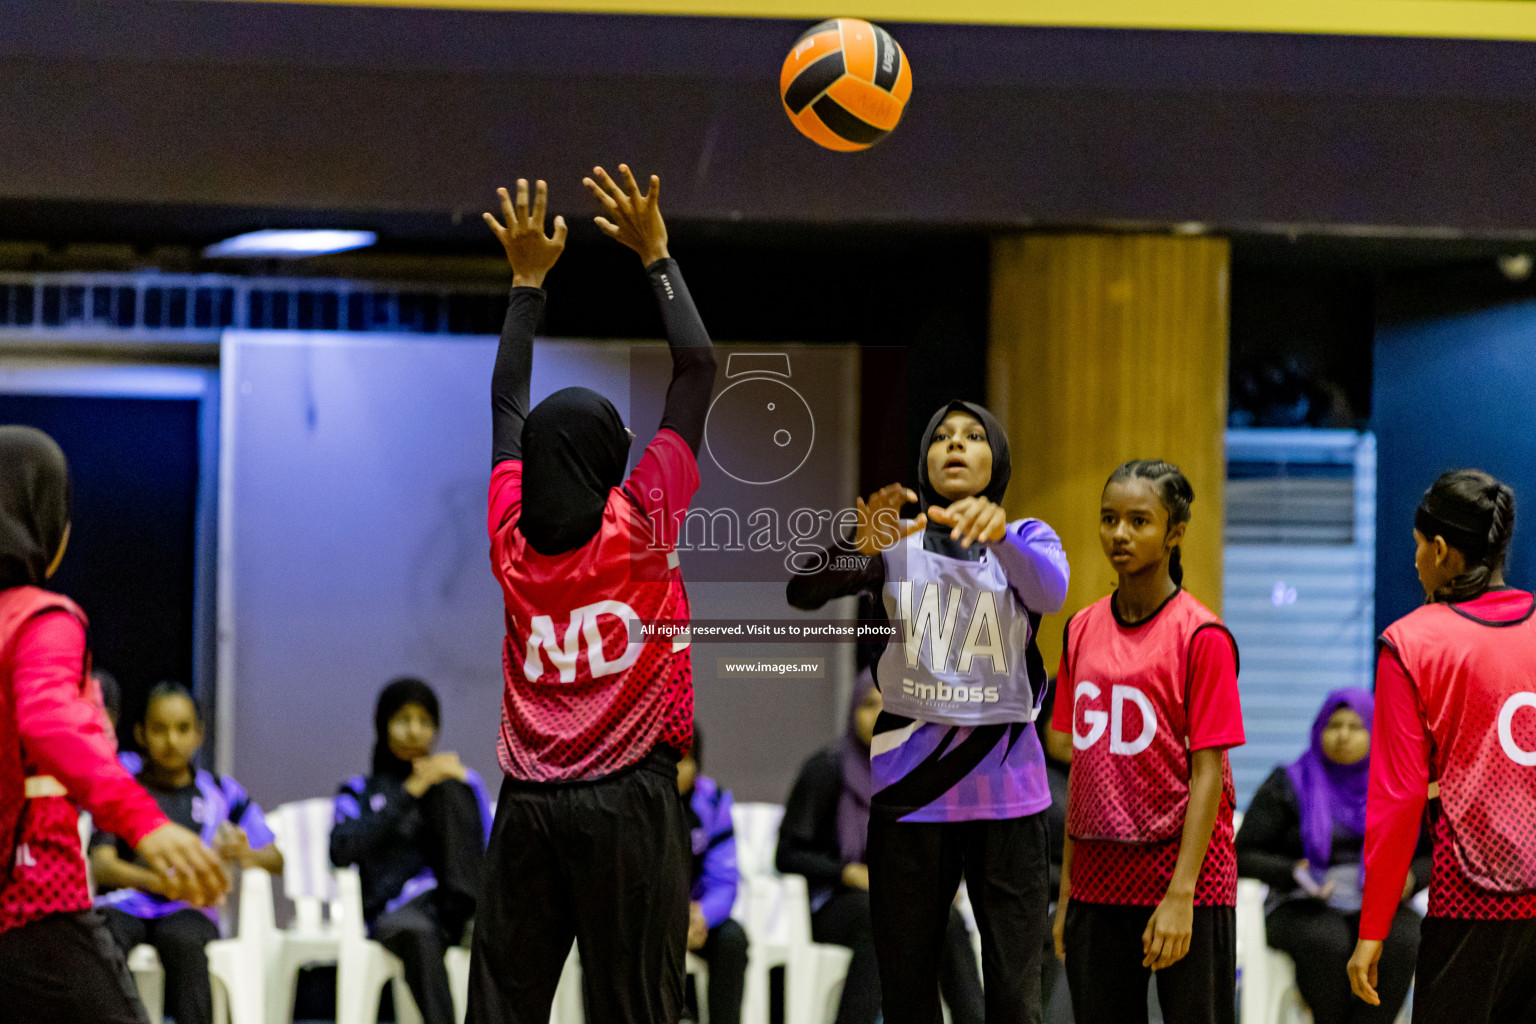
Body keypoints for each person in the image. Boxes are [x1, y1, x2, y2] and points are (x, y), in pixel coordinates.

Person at [467, 167, 716, 1024]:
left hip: (529, 803)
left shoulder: (511, 535)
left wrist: (526, 282)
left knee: (503, 1003)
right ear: (612, 456)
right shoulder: (644, 517)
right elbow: (696, 368)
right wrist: (656, 255)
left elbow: (507, 402)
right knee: (637, 1008)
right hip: (629, 804)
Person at [788, 402, 1068, 1024]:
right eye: (941, 437)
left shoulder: (1027, 539)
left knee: (1015, 996)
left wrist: (995, 534)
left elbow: (1050, 591)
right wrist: (850, 542)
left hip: (1009, 796)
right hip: (910, 793)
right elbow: (803, 591)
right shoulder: (898, 546)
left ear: (998, 459)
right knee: (908, 991)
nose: (955, 445)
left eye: (972, 436)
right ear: (925, 460)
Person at [0, 425, 226, 1023]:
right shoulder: (43, 618)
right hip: (29, 899)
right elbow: (49, 721)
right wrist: (143, 821)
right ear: (44, 522)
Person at [1051, 459, 1244, 1024]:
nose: (1120, 534)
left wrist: (1182, 895)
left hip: (1183, 880)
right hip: (1095, 879)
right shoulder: (1080, 628)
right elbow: (1081, 771)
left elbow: (1209, 771)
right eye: (1109, 519)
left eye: (1139, 521)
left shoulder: (1202, 636)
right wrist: (1067, 894)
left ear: (1175, 532)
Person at [1349, 470, 1536, 1023]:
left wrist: (1373, 929)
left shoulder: (1412, 643)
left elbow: (1397, 800)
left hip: (1469, 901)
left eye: (1415, 548)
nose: (1413, 562)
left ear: (1438, 549)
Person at [777, 671, 986, 1024]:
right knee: (884, 919)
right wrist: (850, 872)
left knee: (947, 919)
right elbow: (787, 854)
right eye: (869, 705)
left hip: (896, 896)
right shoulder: (828, 770)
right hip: (834, 902)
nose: (880, 715)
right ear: (852, 711)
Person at [91, 681, 284, 1024]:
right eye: (159, 729)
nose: (171, 740)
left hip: (190, 907)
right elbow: (101, 864)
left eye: (182, 729)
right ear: (141, 733)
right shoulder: (122, 785)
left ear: (199, 734)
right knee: (101, 939)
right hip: (128, 903)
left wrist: (245, 853)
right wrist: (156, 882)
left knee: (183, 941)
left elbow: (276, 859)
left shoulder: (223, 793)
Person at [1237, 689, 1425, 1024]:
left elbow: (1435, 854)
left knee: (1404, 937)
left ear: (1375, 732)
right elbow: (1242, 854)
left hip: (1378, 901)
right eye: (1334, 725)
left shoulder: (1398, 787)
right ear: (1318, 729)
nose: (1343, 735)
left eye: (1356, 726)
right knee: (1326, 940)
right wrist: (1292, 871)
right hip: (1301, 902)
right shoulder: (1289, 783)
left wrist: (1409, 878)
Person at [331, 678, 490, 1024]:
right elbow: (340, 850)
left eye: (425, 722)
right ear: (383, 723)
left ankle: (470, 911)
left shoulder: (455, 783)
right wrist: (408, 793)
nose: (414, 731)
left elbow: (492, 847)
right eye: (403, 720)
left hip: (453, 905)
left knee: (502, 935)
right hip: (395, 910)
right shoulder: (358, 789)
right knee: (418, 934)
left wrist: (466, 785)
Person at [677, 727, 748, 1024]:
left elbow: (725, 881)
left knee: (732, 938)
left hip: (696, 917)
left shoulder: (714, 801)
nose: (674, 771)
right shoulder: (633, 803)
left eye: (684, 760)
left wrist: (703, 915)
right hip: (649, 918)